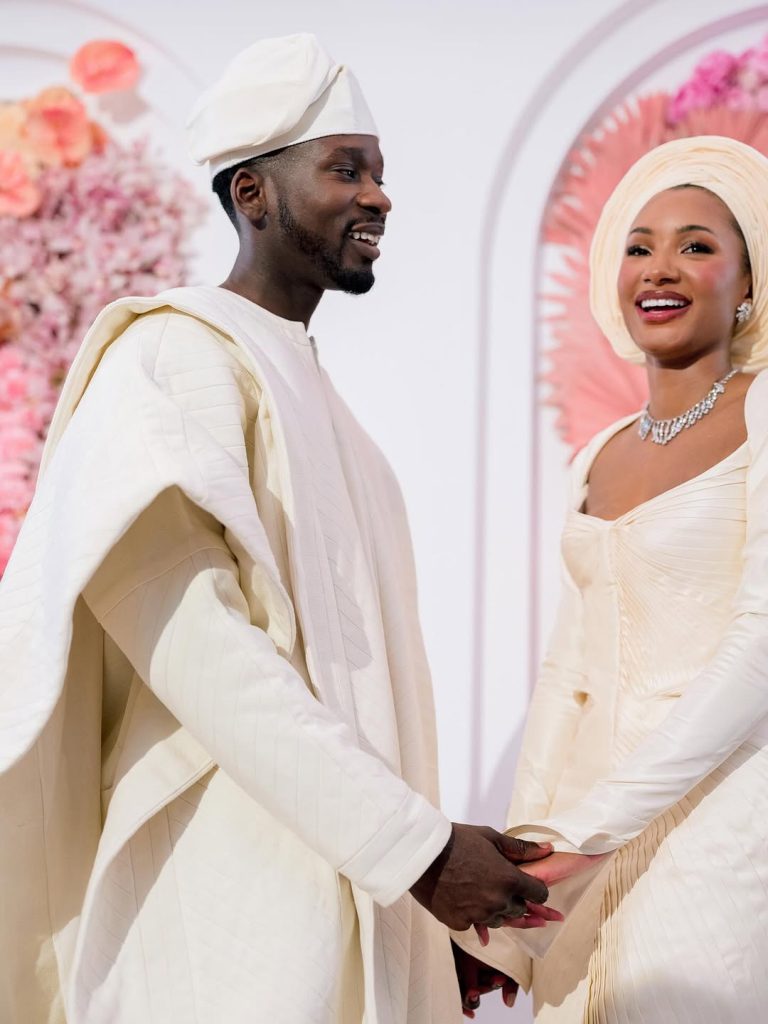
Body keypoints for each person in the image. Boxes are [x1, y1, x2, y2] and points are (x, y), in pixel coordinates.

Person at [0, 34, 555, 1024]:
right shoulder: (171, 357)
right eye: (346, 170)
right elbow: (193, 644)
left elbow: (355, 704)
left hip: (347, 880)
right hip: (223, 899)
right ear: (252, 193)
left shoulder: (330, 409)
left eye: (379, 172)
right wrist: (420, 857)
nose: (379, 197)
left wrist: (418, 907)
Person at [453, 135, 768, 1021]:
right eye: (639, 247)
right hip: (575, 859)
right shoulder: (598, 455)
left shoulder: (764, 412)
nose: (659, 268)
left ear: (749, 282)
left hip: (717, 830)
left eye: (696, 245)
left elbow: (759, 648)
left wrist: (590, 833)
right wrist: (514, 904)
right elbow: (568, 678)